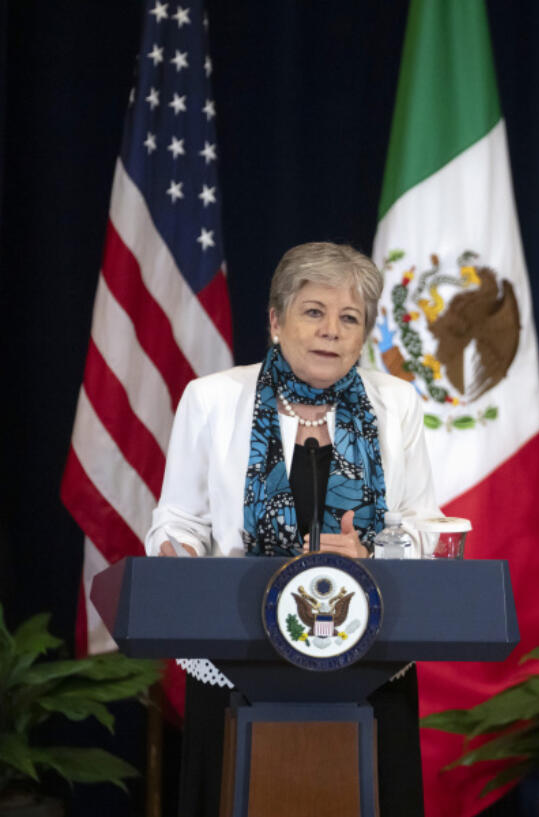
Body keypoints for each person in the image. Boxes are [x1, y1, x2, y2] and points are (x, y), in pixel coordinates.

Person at [146, 241, 438, 817]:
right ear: (276, 321)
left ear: (365, 334)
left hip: (368, 656)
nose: (331, 330)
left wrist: (373, 548)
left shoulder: (396, 403)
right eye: (313, 311)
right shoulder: (212, 400)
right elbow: (177, 521)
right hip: (237, 653)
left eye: (349, 317)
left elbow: (423, 525)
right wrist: (173, 552)